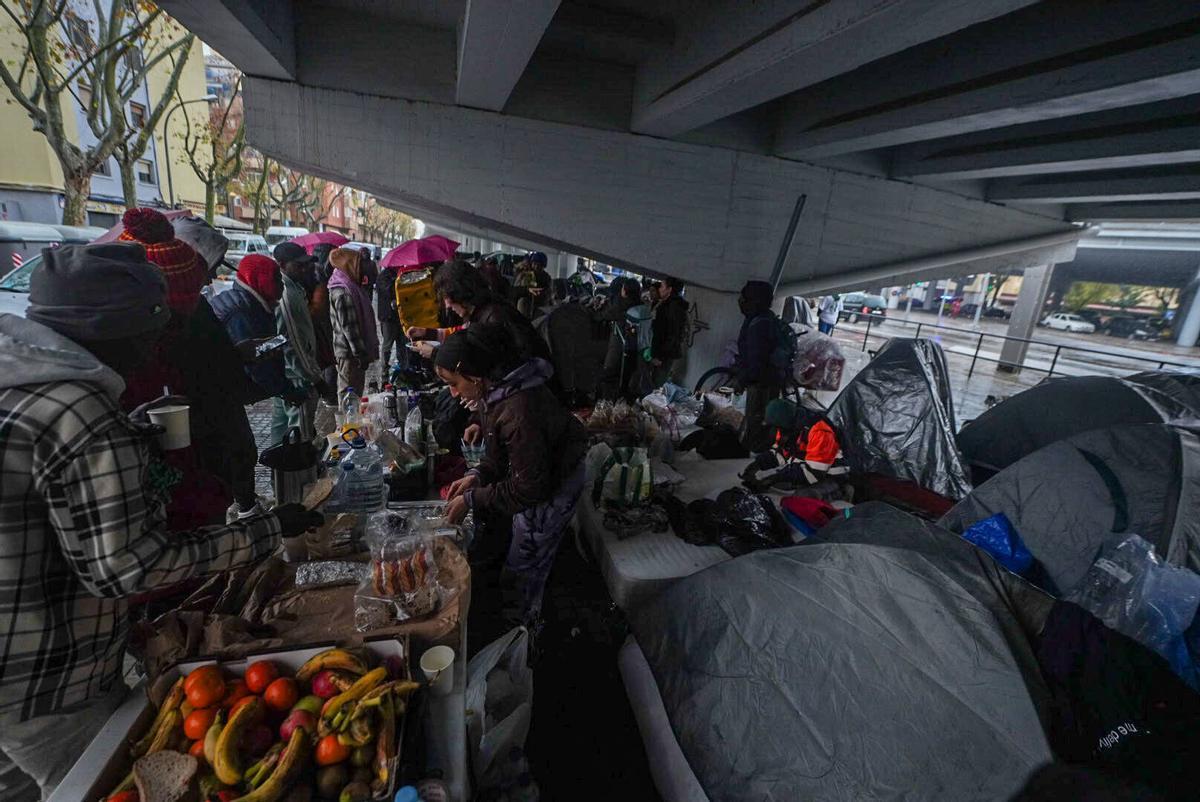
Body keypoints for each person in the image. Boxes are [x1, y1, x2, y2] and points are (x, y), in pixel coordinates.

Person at [0, 243, 321, 799]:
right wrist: (267, 530)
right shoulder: (80, 413)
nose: (156, 347)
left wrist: (130, 434)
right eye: (155, 328)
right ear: (117, 328)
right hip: (49, 684)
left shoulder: (21, 381)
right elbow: (130, 567)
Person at [438, 325, 588, 631]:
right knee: (519, 551)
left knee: (528, 566)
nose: (453, 393)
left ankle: (524, 632)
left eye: (453, 384)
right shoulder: (499, 389)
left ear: (474, 377)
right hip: (539, 474)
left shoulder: (520, 410)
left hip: (552, 487)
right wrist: (477, 475)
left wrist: (472, 499)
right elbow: (500, 453)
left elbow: (530, 488)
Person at [116, 208, 245, 527]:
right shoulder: (121, 366)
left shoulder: (169, 333)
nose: (213, 280)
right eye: (174, 318)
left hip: (201, 482)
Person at [171, 215, 263, 517]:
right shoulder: (178, 313)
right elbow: (198, 368)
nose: (212, 278)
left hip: (223, 412)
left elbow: (213, 354)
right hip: (208, 423)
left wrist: (236, 354)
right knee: (219, 484)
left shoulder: (197, 305)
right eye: (209, 267)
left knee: (237, 466)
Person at [405, 260, 551, 365]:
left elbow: (484, 360)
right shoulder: (484, 310)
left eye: (447, 297)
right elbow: (464, 333)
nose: (447, 305)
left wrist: (435, 354)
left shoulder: (494, 318)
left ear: (460, 292)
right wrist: (428, 333)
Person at [210, 254, 308, 407]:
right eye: (276, 279)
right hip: (225, 395)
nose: (281, 284)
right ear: (259, 280)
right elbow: (258, 361)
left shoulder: (255, 303)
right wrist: (288, 390)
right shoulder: (241, 312)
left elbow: (267, 343)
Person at [271, 242, 324, 445]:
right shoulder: (287, 295)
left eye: (305, 265)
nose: (304, 269)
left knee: (284, 434)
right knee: (299, 439)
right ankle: (299, 476)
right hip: (298, 380)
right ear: (282, 265)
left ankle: (283, 474)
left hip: (291, 376)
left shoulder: (295, 288)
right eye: (298, 265)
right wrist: (315, 379)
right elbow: (294, 344)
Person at [734, 280, 787, 452]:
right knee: (763, 417)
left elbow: (755, 358)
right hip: (770, 378)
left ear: (753, 300)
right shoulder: (763, 317)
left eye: (744, 297)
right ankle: (759, 447)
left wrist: (743, 380)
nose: (740, 301)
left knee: (757, 418)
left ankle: (755, 452)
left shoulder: (759, 323)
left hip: (761, 380)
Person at [327, 246, 378, 396]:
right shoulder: (343, 291)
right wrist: (361, 355)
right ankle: (347, 420)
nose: (362, 268)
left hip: (352, 353)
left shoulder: (351, 286)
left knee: (355, 392)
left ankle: (353, 419)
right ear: (348, 265)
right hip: (349, 354)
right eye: (358, 264)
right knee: (348, 393)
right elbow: (350, 329)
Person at [597, 276, 642, 400]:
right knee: (628, 379)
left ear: (625, 292)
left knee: (609, 375)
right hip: (636, 350)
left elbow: (602, 316)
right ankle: (625, 404)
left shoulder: (620, 304)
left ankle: (608, 403)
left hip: (619, 347)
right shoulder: (641, 306)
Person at [647, 275, 689, 387]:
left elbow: (672, 334)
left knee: (657, 383)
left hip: (664, 353)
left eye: (662, 286)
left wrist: (660, 356)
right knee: (655, 381)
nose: (659, 289)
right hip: (662, 351)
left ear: (669, 290)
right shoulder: (667, 305)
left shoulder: (672, 308)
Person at [375, 260, 404, 371]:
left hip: (398, 315)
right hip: (388, 316)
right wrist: (396, 281)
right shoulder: (384, 276)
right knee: (388, 343)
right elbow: (388, 291)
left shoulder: (398, 274)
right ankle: (384, 366)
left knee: (401, 341)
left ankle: (402, 364)